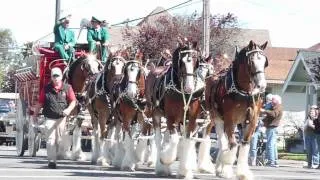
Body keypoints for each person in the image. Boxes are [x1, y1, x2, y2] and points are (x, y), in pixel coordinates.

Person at [33, 67, 76, 169]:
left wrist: (68, 110)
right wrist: (35, 114)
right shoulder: (46, 88)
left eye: (57, 76)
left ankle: (57, 154)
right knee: (50, 140)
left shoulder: (67, 87)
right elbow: (40, 103)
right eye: (54, 76)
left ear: (61, 77)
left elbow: (73, 101)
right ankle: (52, 161)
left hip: (62, 117)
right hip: (49, 117)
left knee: (59, 139)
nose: (56, 78)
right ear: (51, 77)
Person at [261, 94, 283, 167]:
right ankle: (275, 160)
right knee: (273, 145)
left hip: (272, 128)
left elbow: (274, 114)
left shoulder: (278, 107)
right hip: (271, 127)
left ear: (277, 100)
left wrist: (265, 111)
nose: (271, 101)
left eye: (273, 99)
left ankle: (271, 161)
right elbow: (271, 116)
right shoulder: (276, 107)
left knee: (270, 145)